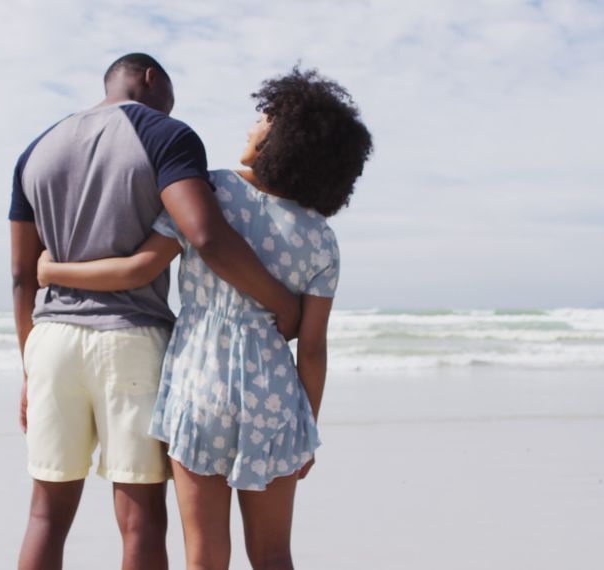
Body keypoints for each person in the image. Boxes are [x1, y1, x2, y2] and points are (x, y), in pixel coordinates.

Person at [36, 67, 373, 569]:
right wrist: (307, 428)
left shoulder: (211, 192)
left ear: (284, 138)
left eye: (264, 118)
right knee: (274, 555)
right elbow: (314, 346)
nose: (252, 125)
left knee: (205, 556)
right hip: (274, 398)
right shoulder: (321, 238)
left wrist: (52, 269)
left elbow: (139, 268)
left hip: (201, 386)